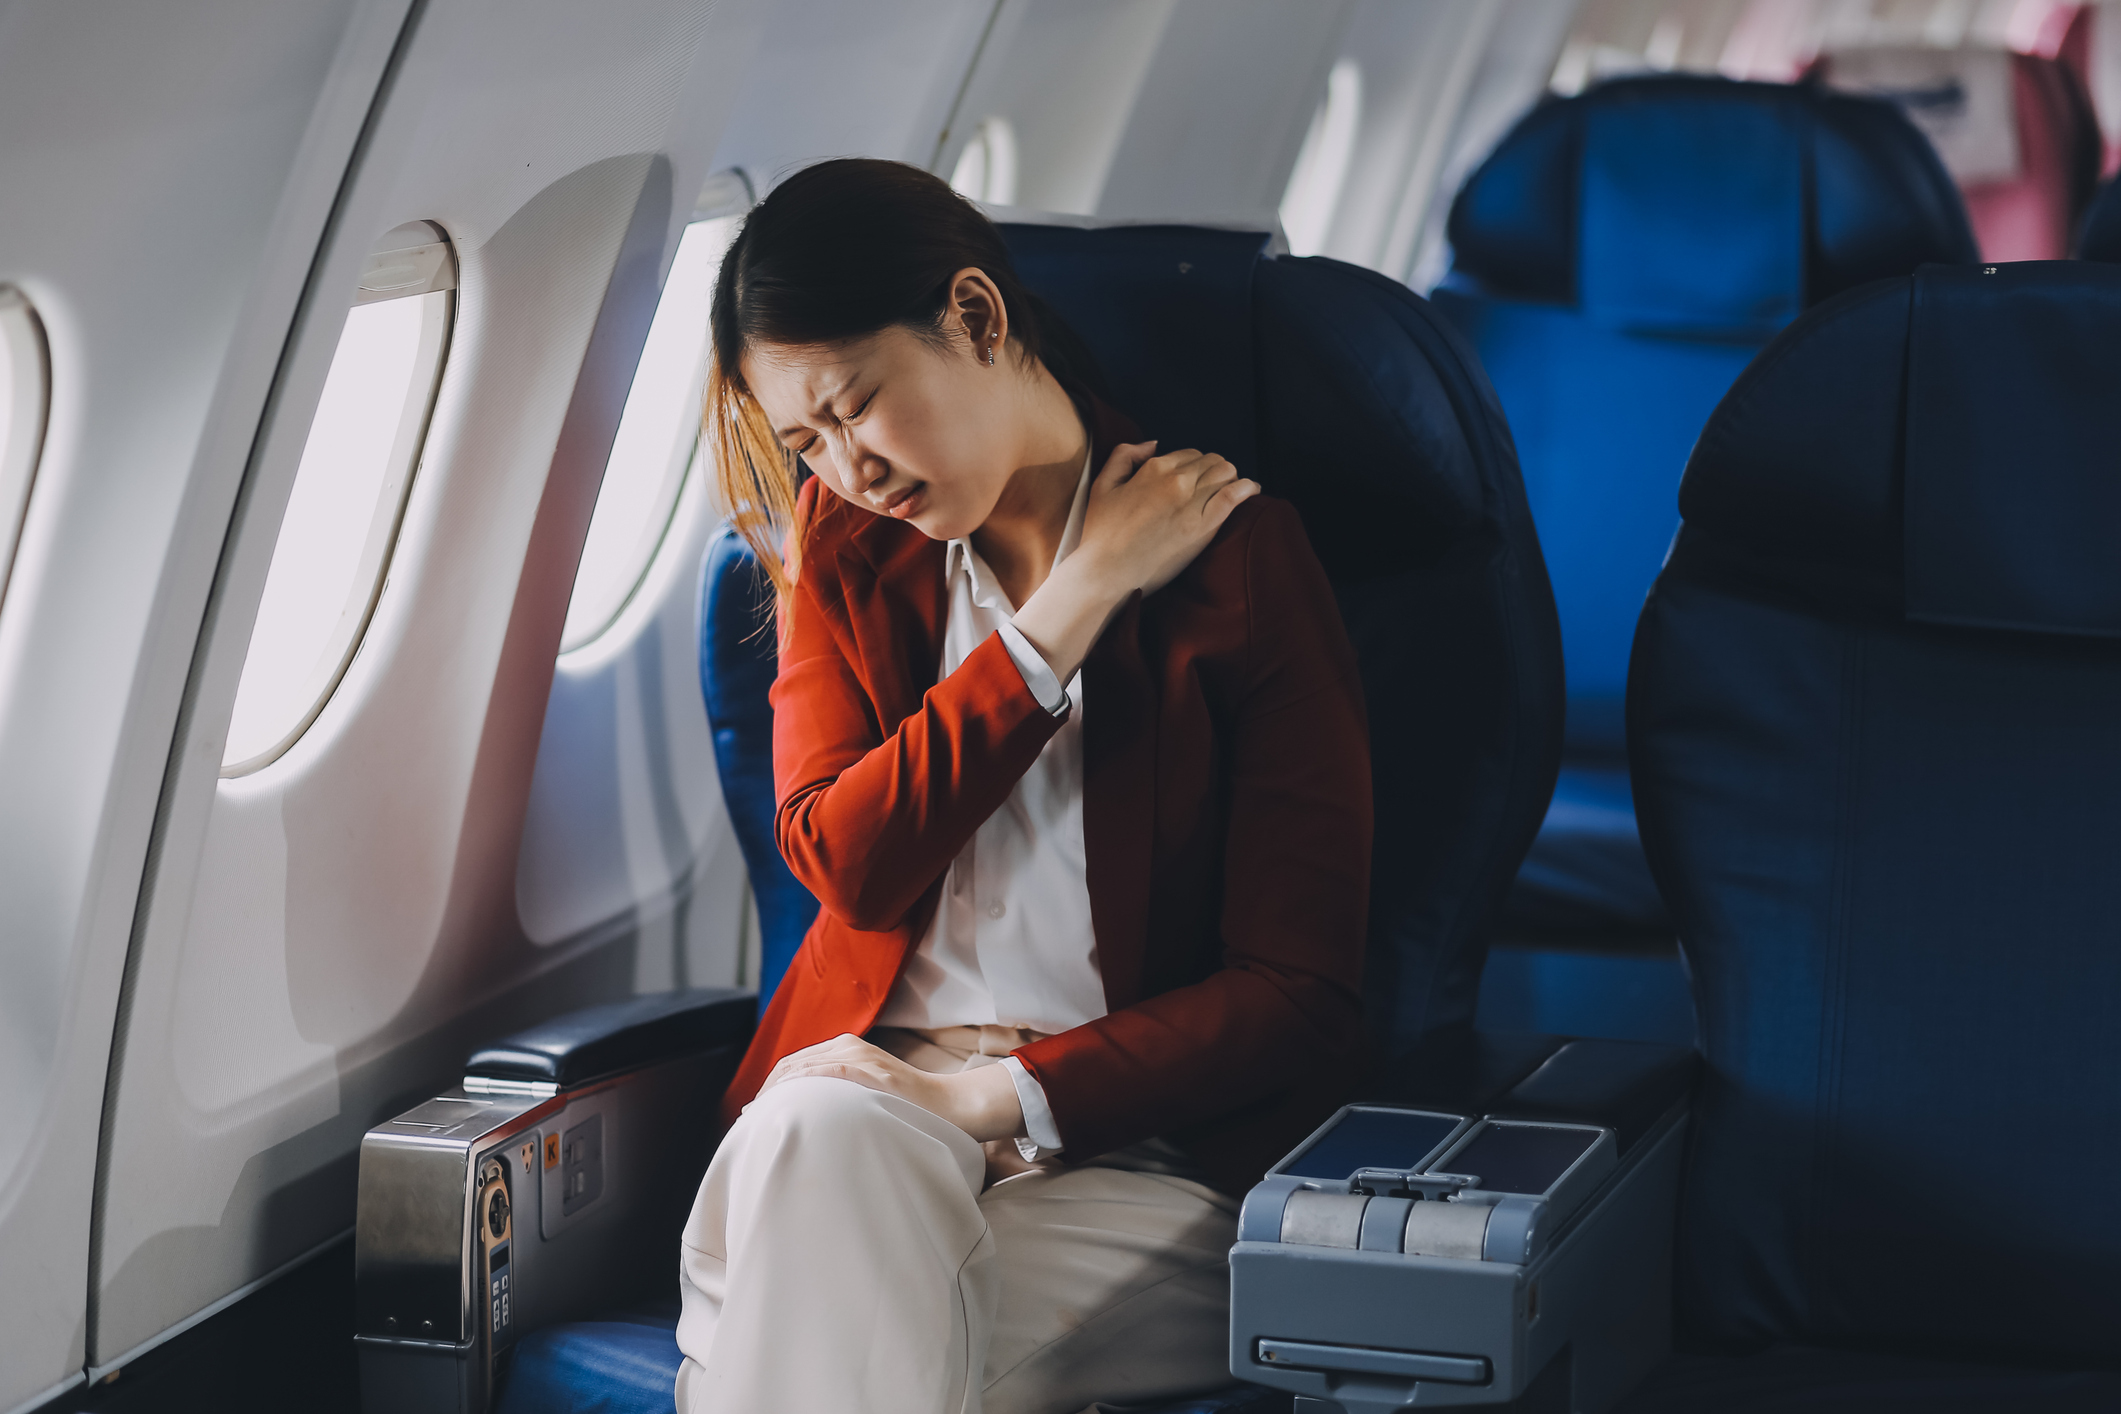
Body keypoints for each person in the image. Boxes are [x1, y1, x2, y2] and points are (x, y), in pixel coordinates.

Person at [677, 157, 1372, 1414]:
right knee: (836, 1167)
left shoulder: (1242, 568)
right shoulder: (843, 554)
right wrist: (1064, 617)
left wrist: (982, 1098)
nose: (847, 470)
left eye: (859, 406)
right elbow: (846, 856)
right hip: (861, 1121)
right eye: (806, 443)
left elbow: (1298, 994)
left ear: (978, 317)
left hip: (1140, 1161)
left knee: (818, 1330)